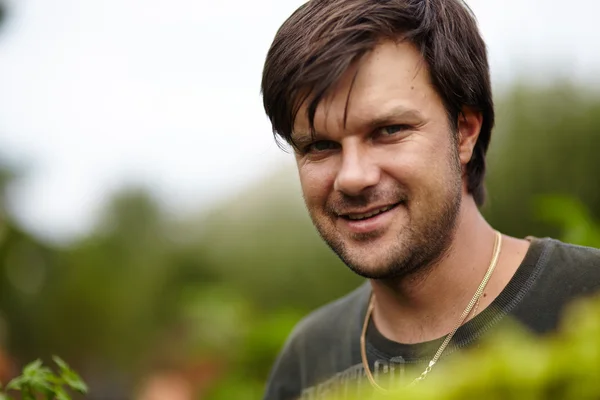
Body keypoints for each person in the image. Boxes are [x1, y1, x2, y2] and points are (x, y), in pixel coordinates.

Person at [259, 0, 600, 399]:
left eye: (388, 130)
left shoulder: (588, 299)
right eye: (320, 145)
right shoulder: (306, 362)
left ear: (465, 132)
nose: (352, 177)